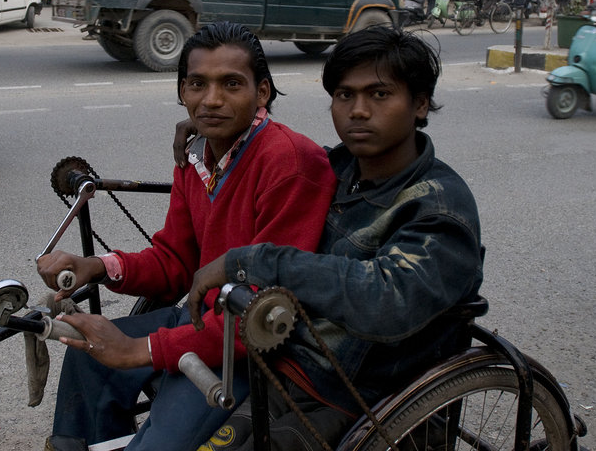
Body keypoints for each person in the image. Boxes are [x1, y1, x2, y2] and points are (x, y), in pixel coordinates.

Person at [37, 22, 336, 451]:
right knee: (87, 355)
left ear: (263, 93)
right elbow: (176, 260)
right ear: (182, 91)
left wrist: (143, 349)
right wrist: (98, 266)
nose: (211, 100)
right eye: (197, 84)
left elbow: (258, 313)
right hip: (202, 322)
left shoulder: (288, 162)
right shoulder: (196, 155)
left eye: (231, 84)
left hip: (253, 350)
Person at [185, 26, 485, 451]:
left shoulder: (439, 209)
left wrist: (257, 260)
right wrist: (211, 135)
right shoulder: (335, 168)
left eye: (379, 95)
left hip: (364, 394)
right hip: (292, 366)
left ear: (419, 104)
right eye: (344, 95)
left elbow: (383, 299)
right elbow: (266, 154)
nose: (358, 110)